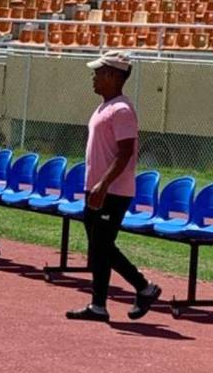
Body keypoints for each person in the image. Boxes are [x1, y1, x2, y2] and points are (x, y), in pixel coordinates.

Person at [66, 51, 161, 323]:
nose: (94, 78)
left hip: (112, 191)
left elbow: (125, 153)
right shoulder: (104, 107)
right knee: (98, 247)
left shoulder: (122, 110)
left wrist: (103, 185)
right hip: (97, 188)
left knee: (102, 246)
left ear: (113, 75)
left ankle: (144, 287)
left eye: (98, 73)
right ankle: (98, 305)